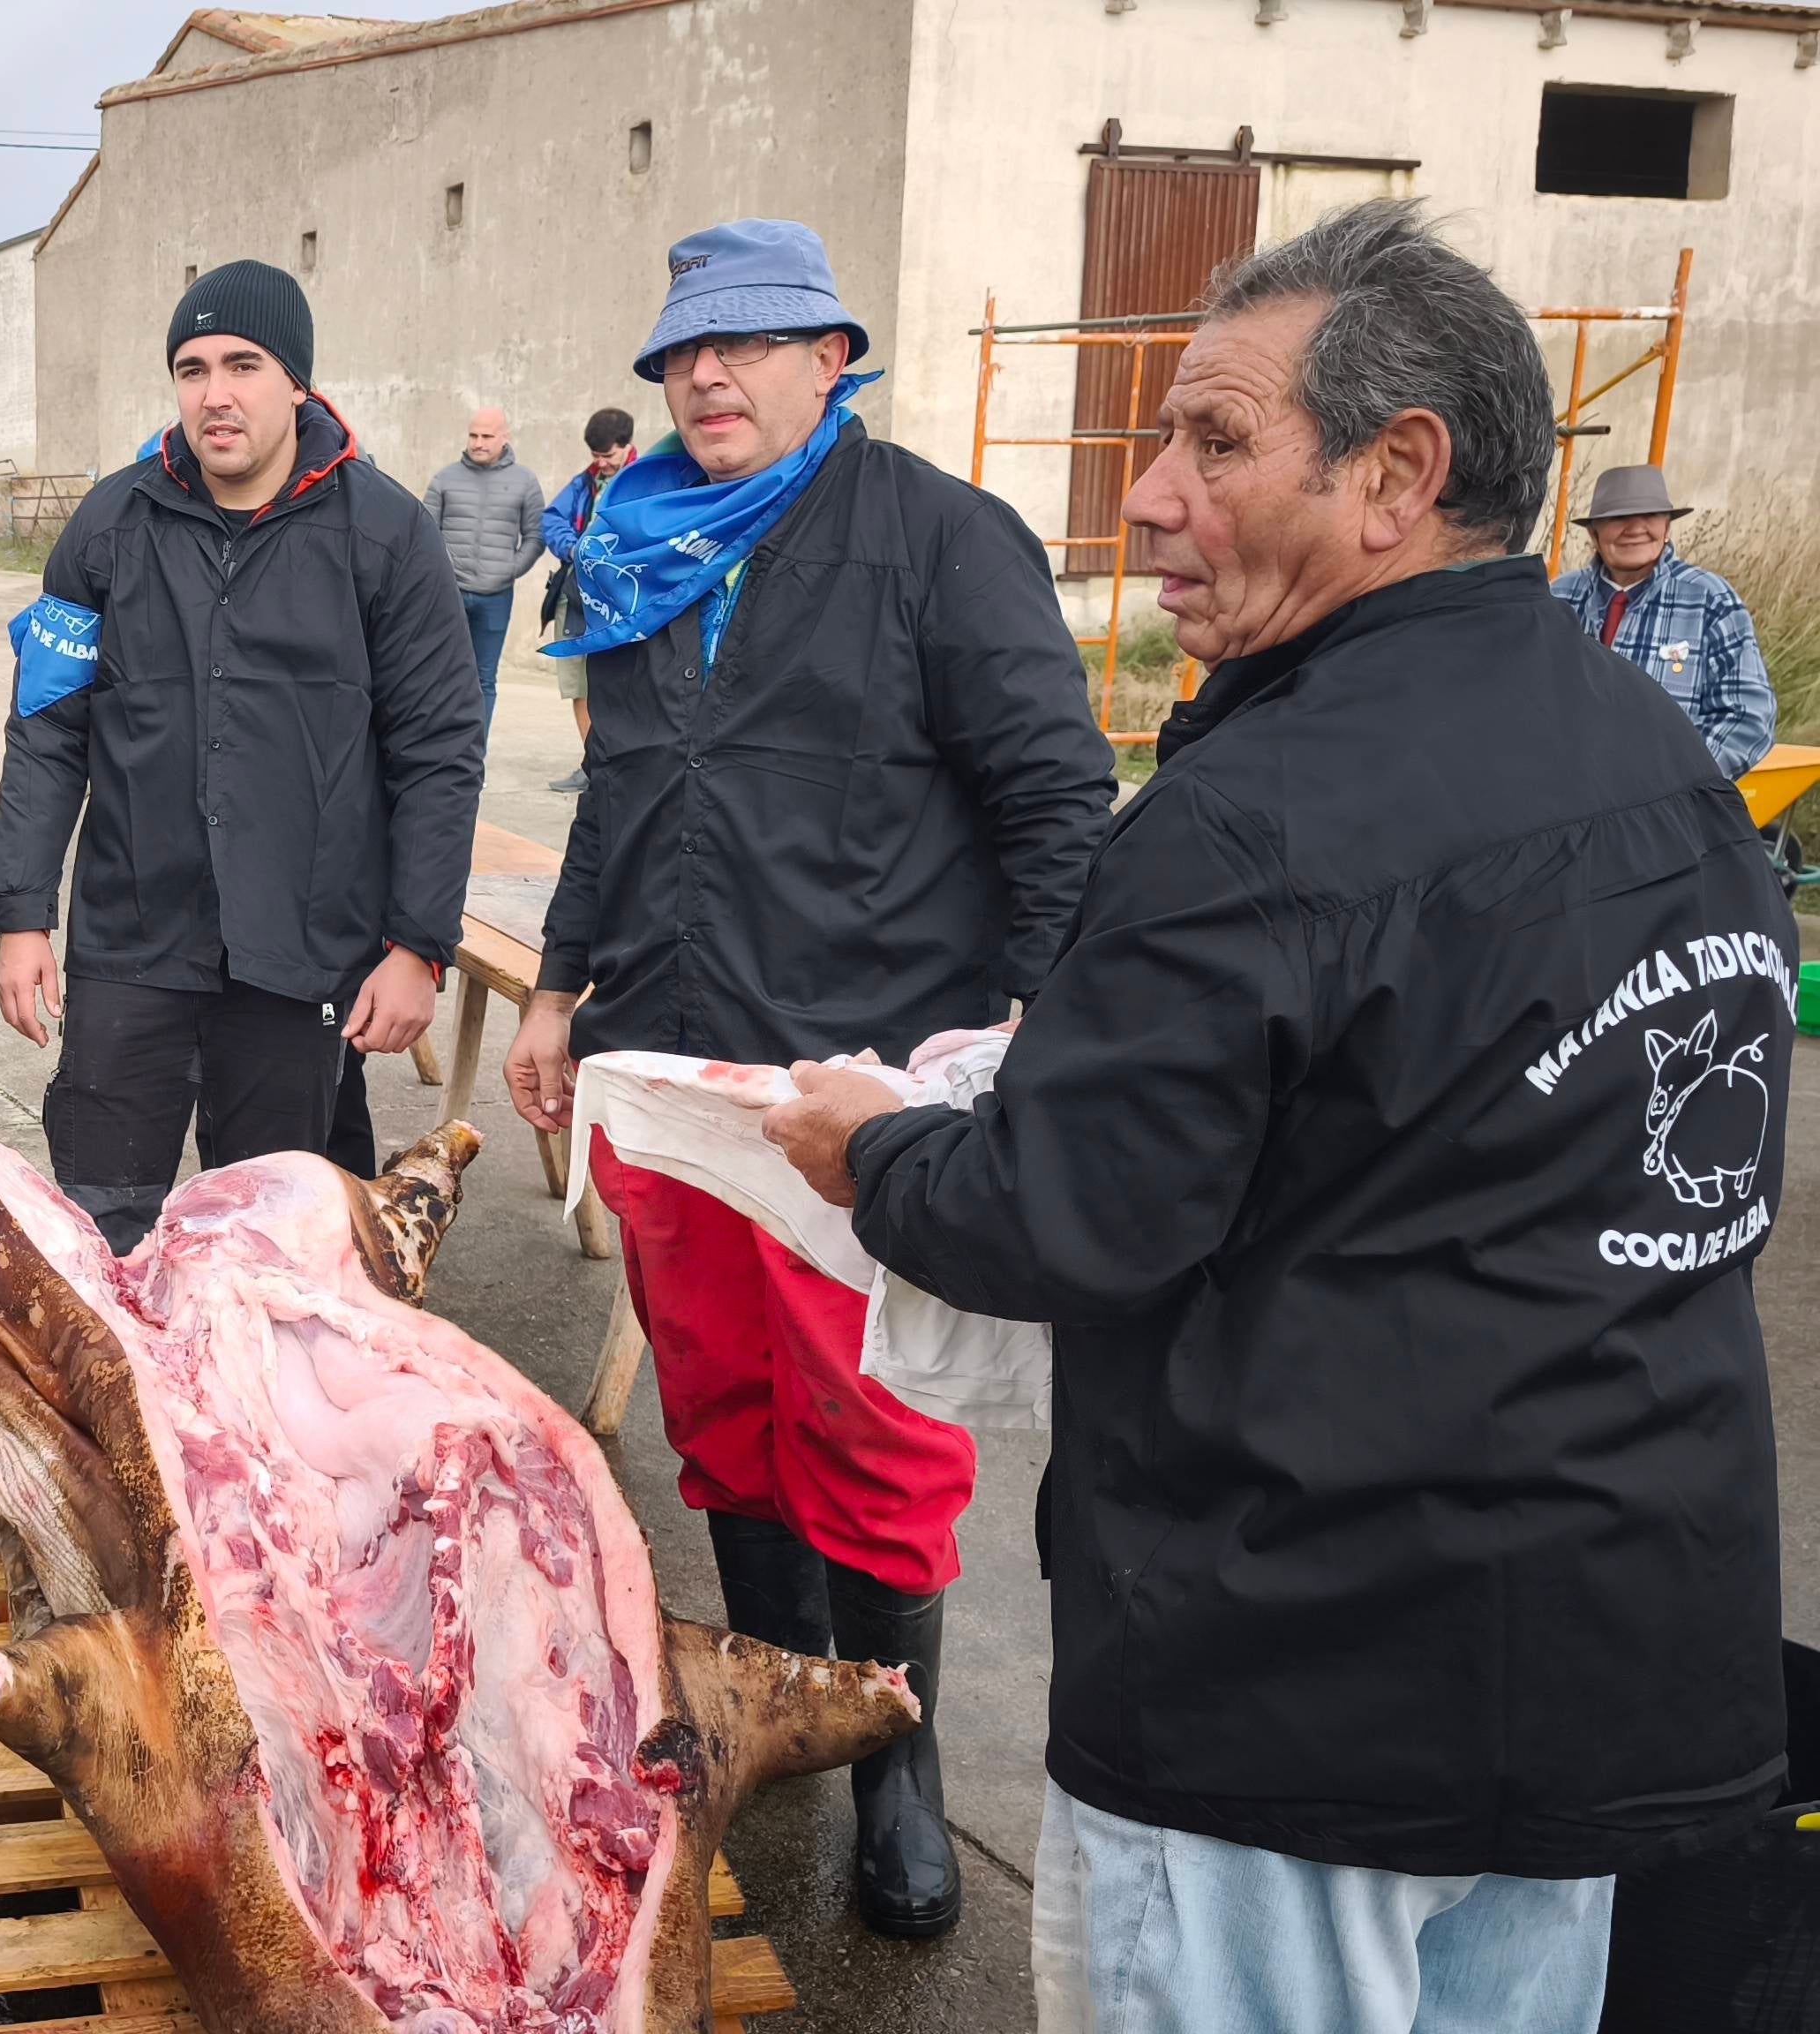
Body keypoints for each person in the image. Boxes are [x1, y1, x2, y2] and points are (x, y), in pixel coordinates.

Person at [757, 201, 1790, 2030]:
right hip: (1606, 1660)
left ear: (1396, 473)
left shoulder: (1255, 816)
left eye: (1213, 442)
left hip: (1295, 1699)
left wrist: (881, 1144)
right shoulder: (1655, 762)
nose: (1148, 497)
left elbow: (1059, 1215)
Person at [500, 218, 1113, 1939]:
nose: (707, 373)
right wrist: (554, 991)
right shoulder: (633, 546)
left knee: (873, 1432)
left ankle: (896, 1759)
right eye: (682, 351)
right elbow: (616, 799)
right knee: (721, 1414)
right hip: (665, 1068)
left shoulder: (938, 539)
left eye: (750, 342)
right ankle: (777, 1702)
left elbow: (1053, 800)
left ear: (831, 358)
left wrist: (1041, 1042)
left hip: (857, 1092)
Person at [0, 259, 485, 1253]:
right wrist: (22, 913)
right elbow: (47, 727)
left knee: (277, 1236)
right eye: (192, 368)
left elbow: (438, 751)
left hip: (300, 946)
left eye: (243, 365)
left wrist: (417, 945)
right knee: (99, 1224)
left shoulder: (386, 536)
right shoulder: (107, 526)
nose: (215, 393)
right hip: (132, 935)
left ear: (296, 381)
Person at [1551, 463, 1771, 780]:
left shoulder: (1710, 599)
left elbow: (1748, 716)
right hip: (1568, 792)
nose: (1636, 528)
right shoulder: (1556, 598)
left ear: (1667, 526)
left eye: (1650, 516)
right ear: (1594, 533)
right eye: (1619, 518)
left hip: (1669, 799)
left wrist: (1680, 783)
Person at [421, 405, 545, 730]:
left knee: (484, 679)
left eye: (487, 436)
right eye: (473, 435)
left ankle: (474, 753)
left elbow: (535, 536)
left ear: (505, 437)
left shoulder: (525, 481)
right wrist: (444, 573)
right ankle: (438, 747)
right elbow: (424, 534)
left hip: (496, 598)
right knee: (440, 674)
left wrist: (509, 569)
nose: (478, 443)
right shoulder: (445, 478)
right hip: (449, 595)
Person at [538, 405, 635, 790]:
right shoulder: (584, 482)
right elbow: (551, 519)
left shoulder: (646, 479)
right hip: (577, 597)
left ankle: (621, 767)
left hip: (623, 598)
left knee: (624, 683)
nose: (602, 463)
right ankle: (592, 765)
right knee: (578, 683)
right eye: (596, 456)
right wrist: (574, 548)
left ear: (627, 445)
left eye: (608, 455)